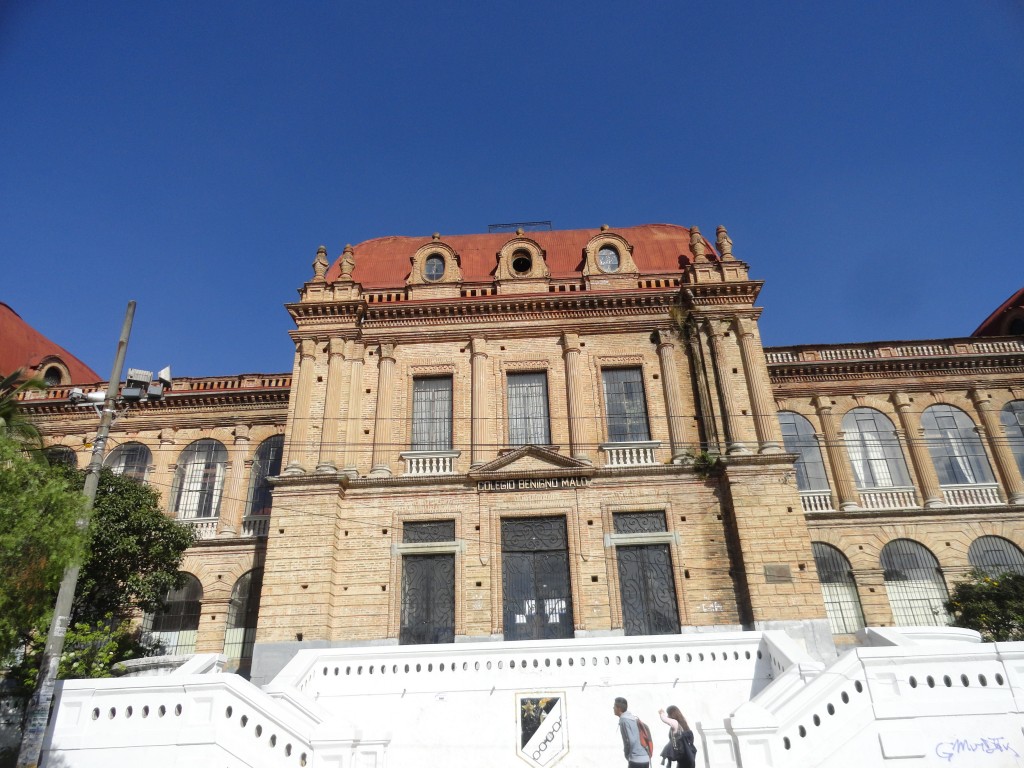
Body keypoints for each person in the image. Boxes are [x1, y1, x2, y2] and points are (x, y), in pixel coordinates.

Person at [614, 696, 651, 768]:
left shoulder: (624, 720)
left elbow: (631, 741)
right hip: (645, 757)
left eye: (614, 706)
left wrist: (627, 755)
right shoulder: (632, 718)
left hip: (636, 760)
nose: (613, 708)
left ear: (619, 708)